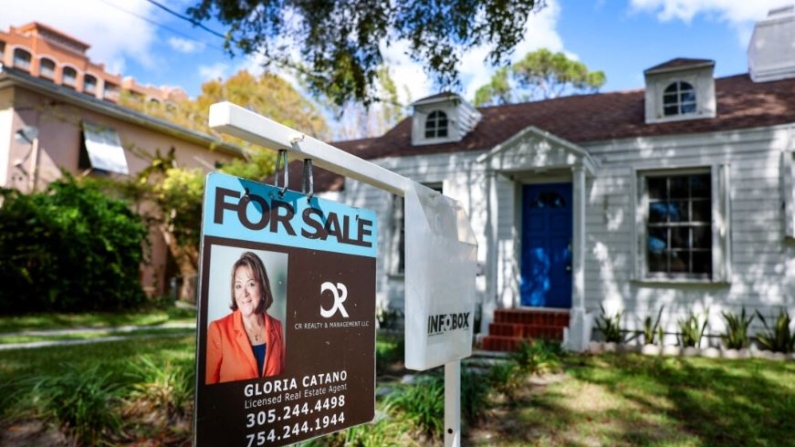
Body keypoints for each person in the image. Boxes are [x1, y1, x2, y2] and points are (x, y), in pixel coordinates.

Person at [206, 251, 285, 384]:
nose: (244, 293)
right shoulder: (218, 330)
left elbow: (282, 382)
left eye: (251, 284)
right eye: (238, 286)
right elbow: (208, 390)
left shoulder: (277, 327)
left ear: (263, 288)